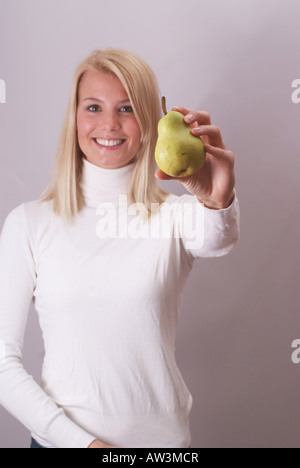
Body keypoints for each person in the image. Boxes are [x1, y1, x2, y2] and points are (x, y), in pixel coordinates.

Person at [0, 49, 239, 448]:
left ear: (149, 121)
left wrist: (217, 198)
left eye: (126, 108)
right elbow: (2, 363)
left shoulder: (175, 215)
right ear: (74, 118)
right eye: (94, 107)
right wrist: (85, 446)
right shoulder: (28, 223)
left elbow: (218, 240)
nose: (109, 124)